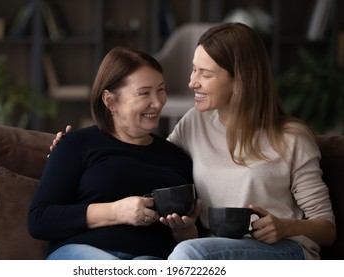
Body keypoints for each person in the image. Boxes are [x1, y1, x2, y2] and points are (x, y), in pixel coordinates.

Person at [51, 23, 336, 260]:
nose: (192, 83)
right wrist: (75, 147)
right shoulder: (195, 123)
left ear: (240, 81)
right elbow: (149, 160)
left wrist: (285, 227)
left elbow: (327, 228)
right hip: (216, 250)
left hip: (285, 251)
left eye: (205, 74)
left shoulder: (292, 137)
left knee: (188, 255)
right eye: (193, 69)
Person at [28, 46, 197, 260]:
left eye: (161, 89)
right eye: (144, 93)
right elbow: (39, 220)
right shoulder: (77, 143)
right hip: (82, 253)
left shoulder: (177, 157)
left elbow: (190, 242)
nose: (158, 102)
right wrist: (116, 212)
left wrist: (184, 231)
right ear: (110, 101)